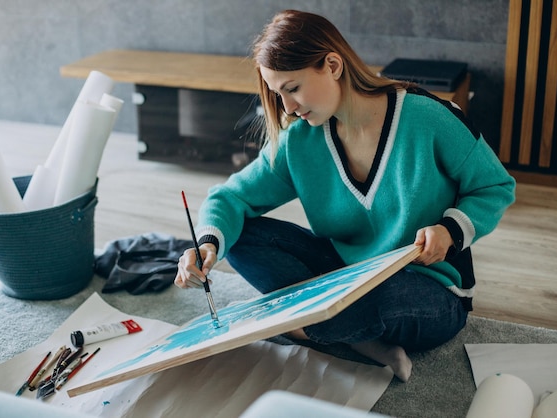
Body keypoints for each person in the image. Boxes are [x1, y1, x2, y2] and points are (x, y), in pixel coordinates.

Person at [175, 9, 515, 382]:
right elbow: (230, 197)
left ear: (333, 65)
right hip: (345, 275)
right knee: (238, 236)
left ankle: (289, 323)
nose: (287, 107)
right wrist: (207, 246)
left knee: (371, 300)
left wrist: (450, 231)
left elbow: (494, 186)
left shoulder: (431, 118)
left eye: (293, 88)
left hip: (428, 288)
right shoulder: (300, 140)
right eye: (278, 94)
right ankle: (350, 337)